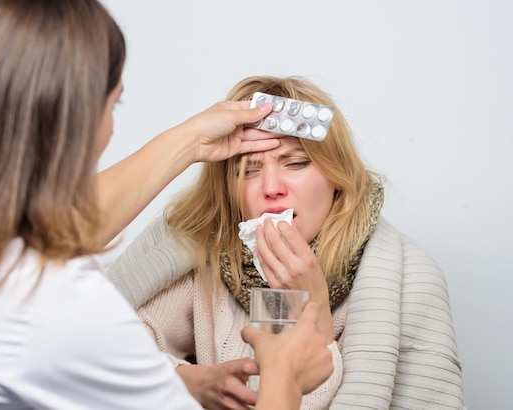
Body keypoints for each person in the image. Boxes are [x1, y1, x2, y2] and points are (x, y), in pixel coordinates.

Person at [0, 2, 335, 409]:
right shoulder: (61, 304)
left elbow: (53, 227)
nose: (273, 186)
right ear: (77, 121)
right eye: (115, 104)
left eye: (295, 162)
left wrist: (193, 138)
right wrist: (286, 371)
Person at [106, 75, 465, 409]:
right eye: (249, 170)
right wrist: (186, 380)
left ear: (336, 176)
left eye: (295, 163)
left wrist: (304, 309)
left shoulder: (410, 278)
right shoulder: (196, 249)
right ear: (228, 189)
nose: (271, 187)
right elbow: (97, 348)